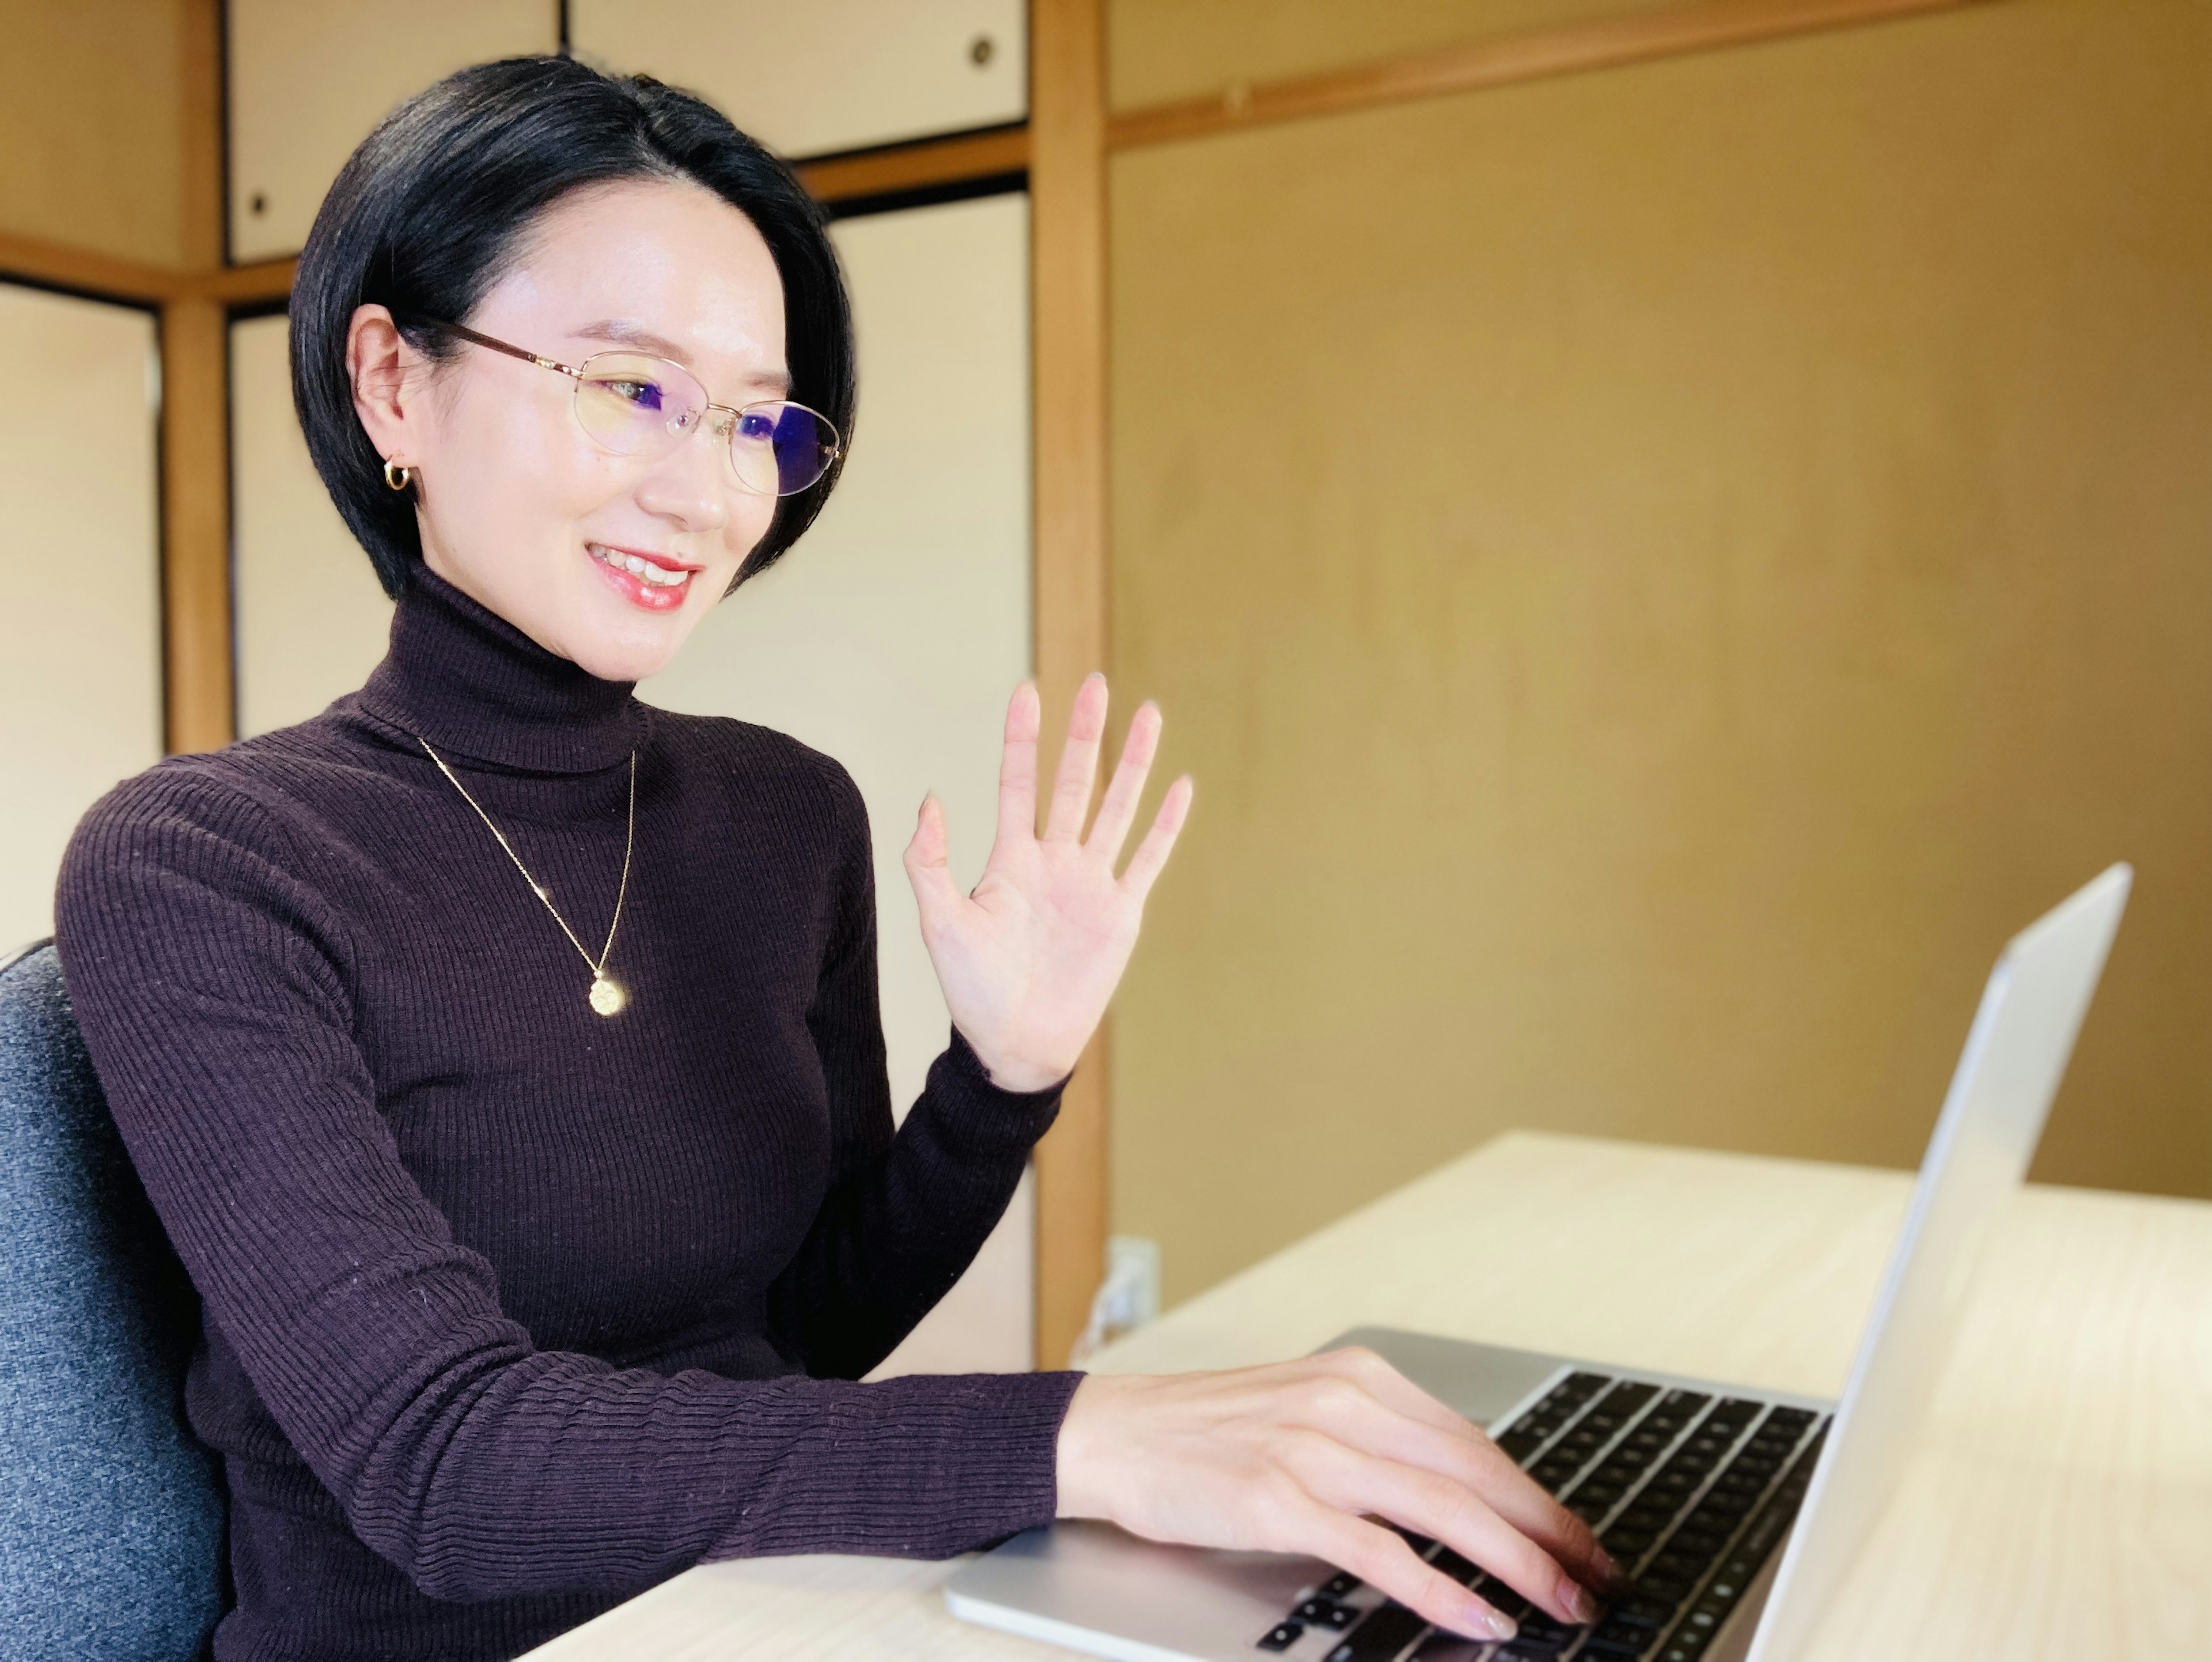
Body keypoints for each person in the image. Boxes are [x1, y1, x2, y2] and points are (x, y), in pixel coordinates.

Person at [55, 56, 1616, 1662]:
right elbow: (441, 1460)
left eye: (753, 419)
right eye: (629, 386)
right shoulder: (202, 869)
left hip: (764, 1619)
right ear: (393, 382)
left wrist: (1002, 1085)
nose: (706, 487)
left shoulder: (784, 816)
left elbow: (790, 1339)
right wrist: (1091, 1441)